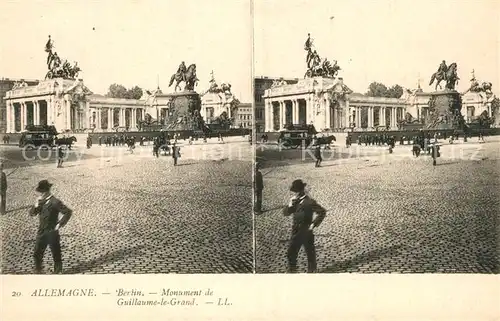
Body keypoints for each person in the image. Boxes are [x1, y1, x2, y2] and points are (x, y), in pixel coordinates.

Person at [29, 180, 73, 274]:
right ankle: (38, 271)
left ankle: (58, 272)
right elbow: (32, 214)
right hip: (41, 231)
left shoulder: (55, 202)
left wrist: (60, 224)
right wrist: (36, 205)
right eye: (39, 193)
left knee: (56, 253)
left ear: (47, 191)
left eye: (41, 193)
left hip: (52, 232)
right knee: (37, 253)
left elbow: (68, 212)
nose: (39, 195)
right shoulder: (40, 201)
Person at [283, 179, 326, 273]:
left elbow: (322, 212)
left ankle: (312, 272)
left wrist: (313, 224)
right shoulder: (294, 201)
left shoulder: (309, 202)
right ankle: (292, 271)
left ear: (301, 191)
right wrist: (290, 205)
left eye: (296, 192)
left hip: (306, 232)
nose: (294, 194)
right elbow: (285, 213)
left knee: (310, 253)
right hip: (296, 231)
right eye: (294, 192)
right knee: (291, 253)